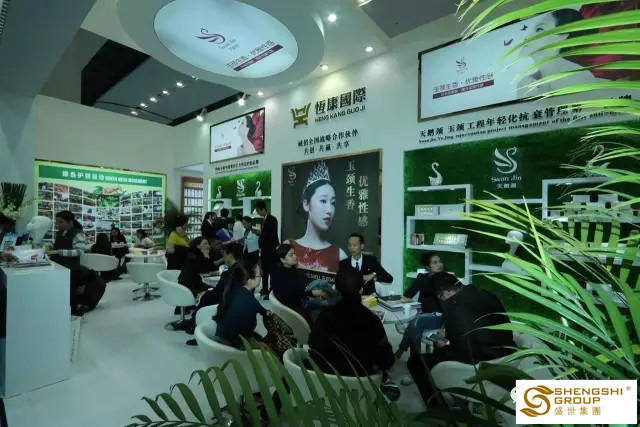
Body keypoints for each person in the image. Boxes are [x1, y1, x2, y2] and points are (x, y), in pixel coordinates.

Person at [407, 273, 516, 406]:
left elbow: (464, 350)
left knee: (415, 362)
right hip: (509, 356)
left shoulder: (455, 309)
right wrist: (451, 333)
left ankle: (438, 410)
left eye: (439, 298)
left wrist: (445, 345)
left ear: (445, 293)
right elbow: (476, 326)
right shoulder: (486, 294)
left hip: (480, 365)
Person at [309, 268, 394, 376]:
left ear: (336, 290)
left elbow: (314, 347)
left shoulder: (324, 317)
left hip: (328, 380)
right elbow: (386, 361)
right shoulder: (373, 320)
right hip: (364, 381)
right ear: (361, 290)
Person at [517, 9, 605, 98]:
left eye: (539, 29)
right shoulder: (526, 83)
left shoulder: (575, 78)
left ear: (562, 37)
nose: (526, 37)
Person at [288, 161, 347, 273]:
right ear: (306, 205)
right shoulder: (289, 247)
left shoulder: (339, 254)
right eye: (323, 201)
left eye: (333, 203)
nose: (329, 210)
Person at [184, 243, 243, 346]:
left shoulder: (228, 274)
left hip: (227, 304)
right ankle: (192, 322)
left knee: (204, 299)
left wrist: (204, 295)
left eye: (224, 255)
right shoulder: (246, 268)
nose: (224, 258)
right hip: (240, 302)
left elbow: (217, 294)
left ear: (230, 255)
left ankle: (196, 326)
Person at [395, 253, 445, 361]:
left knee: (416, 322)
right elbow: (409, 294)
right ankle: (416, 360)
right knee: (416, 326)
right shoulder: (422, 278)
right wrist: (397, 302)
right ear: (428, 266)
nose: (439, 264)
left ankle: (403, 350)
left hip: (438, 316)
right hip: (421, 314)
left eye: (440, 261)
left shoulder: (446, 280)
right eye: (435, 262)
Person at [214, 263, 269, 349]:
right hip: (236, 346)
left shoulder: (233, 290)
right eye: (259, 275)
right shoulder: (248, 300)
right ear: (250, 280)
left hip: (224, 340)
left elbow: (261, 310)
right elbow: (245, 335)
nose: (261, 277)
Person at [270, 244, 326, 324]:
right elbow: (288, 295)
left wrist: (313, 290)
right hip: (298, 303)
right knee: (326, 303)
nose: (295, 256)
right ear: (282, 259)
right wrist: (311, 293)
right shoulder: (279, 276)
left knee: (320, 283)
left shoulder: (292, 269)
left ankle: (334, 299)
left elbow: (304, 281)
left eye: (294, 254)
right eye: (291, 255)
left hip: (303, 295)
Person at [255, 200, 279, 299]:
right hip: (264, 249)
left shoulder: (272, 219)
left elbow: (272, 234)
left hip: (271, 249)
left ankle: (272, 290)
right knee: (264, 270)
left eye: (258, 211)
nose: (258, 213)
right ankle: (264, 288)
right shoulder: (262, 220)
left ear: (263, 209)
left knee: (272, 270)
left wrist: (261, 234)